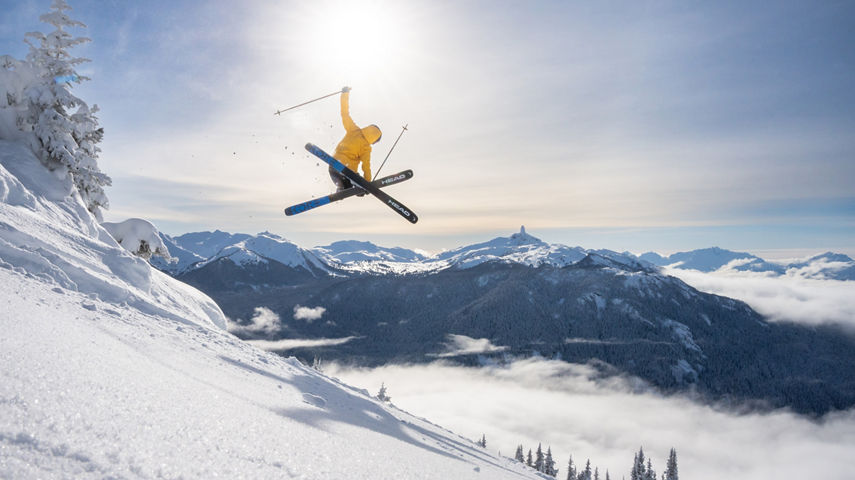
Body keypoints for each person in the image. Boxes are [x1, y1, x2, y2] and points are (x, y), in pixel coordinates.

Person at [329, 86, 382, 192]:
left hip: (333, 167)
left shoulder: (353, 130)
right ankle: (357, 187)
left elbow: (345, 114)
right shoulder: (366, 148)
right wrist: (368, 183)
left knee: (346, 184)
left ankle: (342, 187)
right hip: (347, 171)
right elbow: (366, 166)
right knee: (357, 181)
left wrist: (345, 94)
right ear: (374, 140)